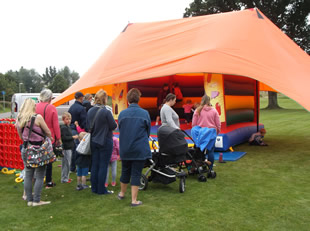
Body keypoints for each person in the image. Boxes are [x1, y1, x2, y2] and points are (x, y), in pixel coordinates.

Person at [118, 88, 152, 207]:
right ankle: (134, 200)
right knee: (136, 173)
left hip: (125, 147)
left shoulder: (122, 114)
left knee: (125, 170)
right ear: (138, 99)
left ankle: (122, 193)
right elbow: (148, 131)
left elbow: (120, 129)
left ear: (128, 99)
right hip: (139, 148)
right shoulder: (144, 114)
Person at [16, 98, 52, 206]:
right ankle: (37, 200)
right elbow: (48, 132)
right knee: (40, 175)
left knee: (28, 174)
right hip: (39, 149)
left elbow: (21, 136)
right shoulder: (38, 118)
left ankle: (29, 200)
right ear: (33, 106)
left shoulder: (19, 119)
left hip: (26, 149)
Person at [86, 89, 117, 195]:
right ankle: (101, 189)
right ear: (104, 98)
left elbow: (87, 126)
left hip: (93, 140)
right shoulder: (106, 112)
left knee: (95, 164)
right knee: (103, 165)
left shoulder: (90, 111)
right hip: (105, 140)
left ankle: (94, 188)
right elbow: (113, 126)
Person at [35, 88, 61, 188]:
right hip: (49, 136)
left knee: (37, 158)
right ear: (50, 98)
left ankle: (36, 178)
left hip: (37, 136)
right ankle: (48, 181)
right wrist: (58, 138)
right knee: (49, 159)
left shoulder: (35, 106)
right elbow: (55, 125)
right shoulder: (51, 107)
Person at [192, 95, 221, 169]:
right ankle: (210, 168)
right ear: (209, 101)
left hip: (200, 133)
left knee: (200, 150)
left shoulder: (198, 110)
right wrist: (216, 133)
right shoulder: (214, 110)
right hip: (211, 133)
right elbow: (218, 124)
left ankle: (201, 166)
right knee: (210, 151)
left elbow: (194, 124)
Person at [68, 91, 87, 173]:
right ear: (81, 98)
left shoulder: (71, 107)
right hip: (78, 130)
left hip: (71, 129)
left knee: (72, 149)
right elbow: (84, 121)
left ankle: (72, 167)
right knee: (78, 149)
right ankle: (79, 167)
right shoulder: (81, 108)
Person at [60, 112, 78, 184]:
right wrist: (72, 137)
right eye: (67, 119)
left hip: (69, 147)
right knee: (66, 163)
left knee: (67, 163)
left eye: (69, 119)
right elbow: (64, 138)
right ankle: (64, 178)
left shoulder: (68, 127)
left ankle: (66, 177)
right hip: (66, 147)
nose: (69, 120)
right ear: (63, 120)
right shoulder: (64, 128)